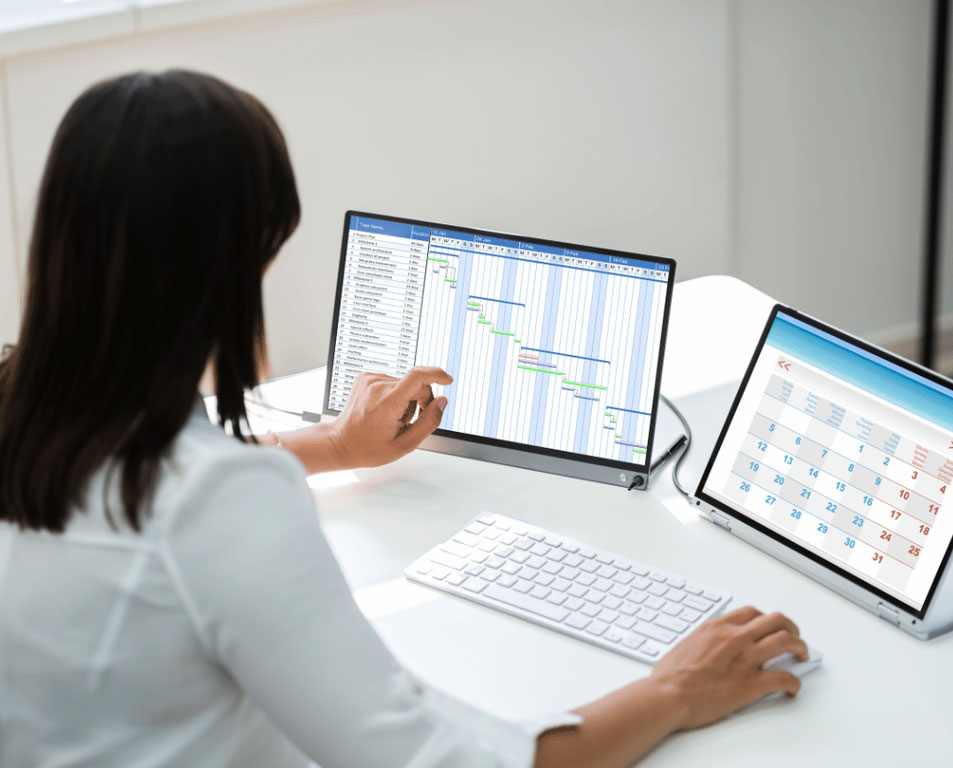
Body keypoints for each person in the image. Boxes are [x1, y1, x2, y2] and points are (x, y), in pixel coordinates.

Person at [0, 70, 808, 768]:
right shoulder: (222, 501)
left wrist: (332, 446)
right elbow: (428, 760)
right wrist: (673, 690)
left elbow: (143, 484)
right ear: (231, 267)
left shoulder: (23, 402)